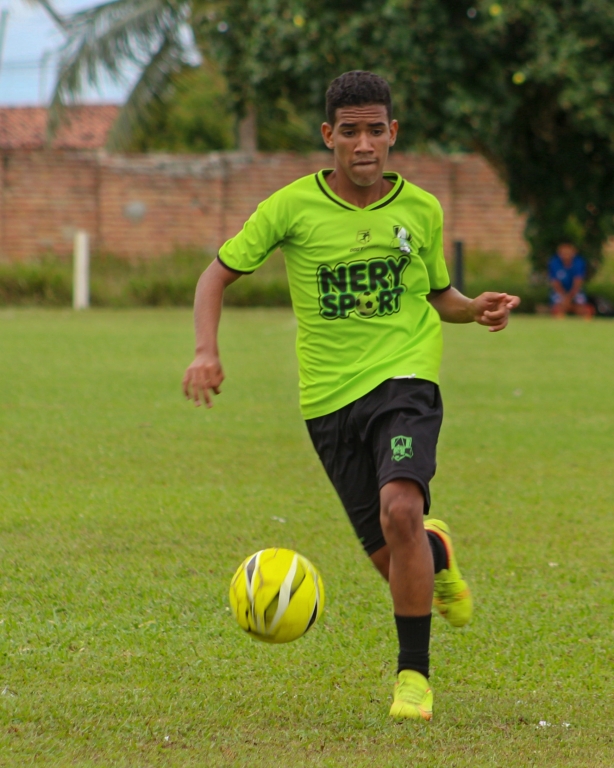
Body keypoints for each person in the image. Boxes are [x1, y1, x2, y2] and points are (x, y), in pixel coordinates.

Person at [183, 71, 520, 722]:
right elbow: (214, 276)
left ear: (392, 133)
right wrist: (205, 351)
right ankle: (438, 554)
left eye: (374, 130)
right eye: (349, 131)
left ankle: (413, 678)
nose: (363, 144)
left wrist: (473, 307)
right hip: (328, 400)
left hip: (405, 379)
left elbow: (437, 295)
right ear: (328, 136)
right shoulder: (290, 208)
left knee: (402, 508)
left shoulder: (421, 209)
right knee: (393, 556)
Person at [548, 241, 595, 318]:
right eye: (563, 253)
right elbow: (555, 283)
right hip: (560, 291)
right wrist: (564, 297)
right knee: (557, 308)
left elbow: (578, 283)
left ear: (573, 252)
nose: (566, 255)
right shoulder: (554, 262)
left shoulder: (579, 262)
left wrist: (569, 297)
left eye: (568, 252)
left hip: (575, 291)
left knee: (583, 308)